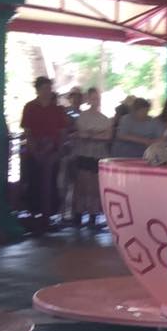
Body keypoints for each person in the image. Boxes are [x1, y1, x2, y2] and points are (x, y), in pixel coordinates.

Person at [20, 76, 71, 224]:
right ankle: (33, 213)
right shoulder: (30, 107)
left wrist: (59, 150)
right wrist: (34, 150)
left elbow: (63, 131)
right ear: (37, 90)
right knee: (33, 181)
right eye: (43, 88)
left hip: (53, 150)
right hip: (34, 149)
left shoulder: (58, 109)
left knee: (51, 182)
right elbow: (27, 131)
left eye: (49, 88)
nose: (47, 92)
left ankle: (48, 214)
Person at [72, 87, 112, 228]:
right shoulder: (83, 117)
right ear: (88, 99)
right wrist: (98, 134)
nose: (96, 101)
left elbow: (106, 136)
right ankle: (78, 214)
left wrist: (90, 134)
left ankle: (92, 215)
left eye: (98, 98)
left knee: (95, 186)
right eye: (93, 98)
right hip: (84, 154)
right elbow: (82, 134)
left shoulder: (104, 119)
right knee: (82, 185)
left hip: (98, 156)